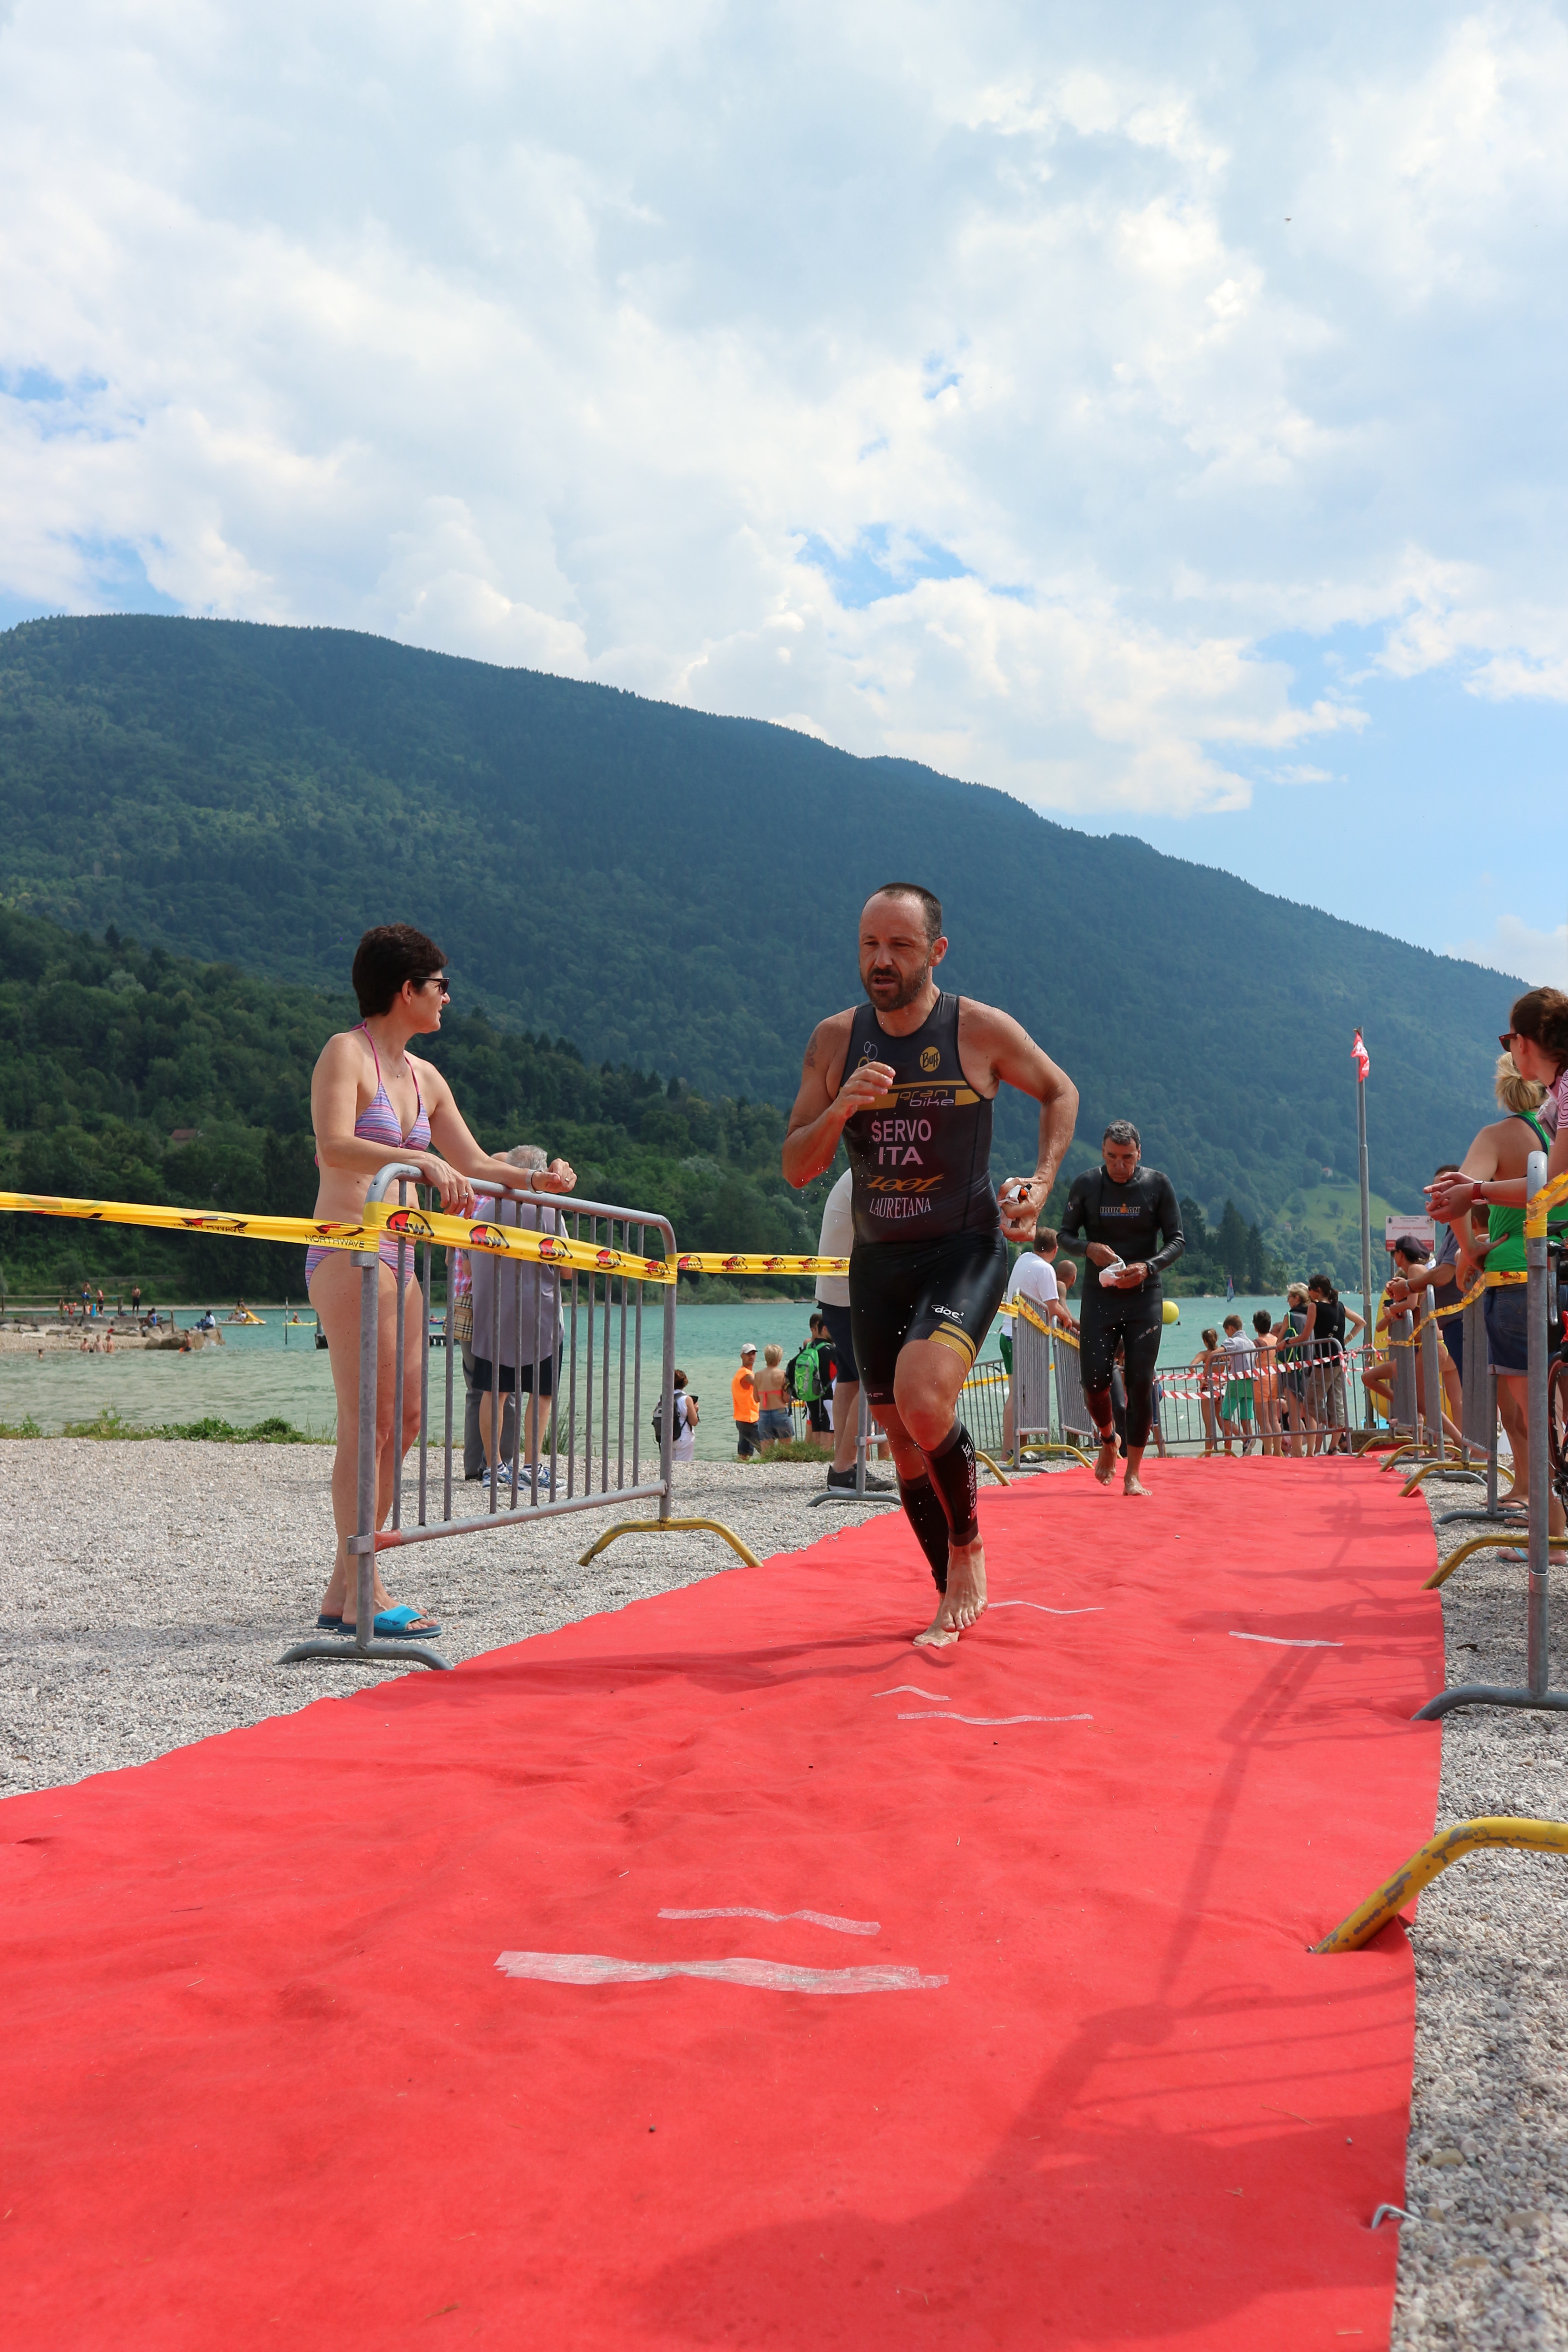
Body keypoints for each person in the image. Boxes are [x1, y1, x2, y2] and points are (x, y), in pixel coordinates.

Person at [782, 882, 1078, 1646]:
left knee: (922, 1396)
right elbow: (795, 1164)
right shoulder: (834, 1040)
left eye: (900, 946)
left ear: (936, 951)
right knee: (900, 1433)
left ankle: (968, 1547)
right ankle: (947, 1585)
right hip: (877, 1260)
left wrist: (1041, 1183)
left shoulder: (976, 1029)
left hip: (966, 1246)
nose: (881, 961)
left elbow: (1058, 1091)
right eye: (869, 945)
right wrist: (842, 1106)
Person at [307, 924, 575, 1639]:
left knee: (407, 1424)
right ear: (407, 990)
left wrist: (535, 1179)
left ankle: (345, 1588)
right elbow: (333, 1144)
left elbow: (477, 1159)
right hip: (350, 1248)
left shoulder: (425, 1077)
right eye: (441, 985)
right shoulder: (346, 1053)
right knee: (370, 1423)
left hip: (403, 1256)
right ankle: (365, 1586)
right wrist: (418, 1164)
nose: (449, 998)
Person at [1056, 1122, 1184, 1496]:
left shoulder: (1157, 1185)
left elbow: (1177, 1240)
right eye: (1112, 1157)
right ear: (1103, 1152)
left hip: (1145, 1294)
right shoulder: (1086, 1184)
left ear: (1139, 1154)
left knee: (1140, 1383)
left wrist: (1149, 1266)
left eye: (1127, 1159)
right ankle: (1108, 1439)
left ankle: (1135, 1474)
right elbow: (1064, 1235)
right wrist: (1088, 1249)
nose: (1119, 1166)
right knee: (1094, 1382)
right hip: (1102, 1296)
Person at [469, 1146, 566, 1496]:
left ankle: (493, 1466)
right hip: (539, 1316)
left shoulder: (485, 1208)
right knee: (540, 1395)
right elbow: (567, 1268)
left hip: (493, 1315)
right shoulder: (548, 1208)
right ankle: (531, 1465)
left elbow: (468, 1263)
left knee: (493, 1391)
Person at [812, 1167, 895, 1488]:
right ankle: (845, 1469)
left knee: (850, 1377)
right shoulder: (878, 1173)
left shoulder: (864, 1169)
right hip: (850, 1293)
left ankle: (843, 1464)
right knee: (873, 1376)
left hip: (839, 1291)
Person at [1001, 1227, 1068, 1454]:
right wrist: (1069, 1320)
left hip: (1009, 1333)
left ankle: (1014, 1450)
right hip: (1026, 1339)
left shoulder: (1023, 1260)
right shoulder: (1046, 1269)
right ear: (1055, 1249)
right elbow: (1052, 1306)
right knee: (1026, 1397)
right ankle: (1015, 1450)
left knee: (1017, 1394)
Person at [1303, 1274, 1366, 1454]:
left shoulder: (1315, 1307)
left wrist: (1288, 1342)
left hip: (1323, 1362)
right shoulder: (1339, 1306)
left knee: (1310, 1402)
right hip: (1340, 1358)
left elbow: (1305, 1335)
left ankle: (1332, 1425)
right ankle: (1334, 1445)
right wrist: (1346, 1340)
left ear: (1318, 1291)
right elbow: (1361, 1322)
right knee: (1336, 1401)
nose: (1308, 1292)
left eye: (1310, 1288)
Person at [1219, 1314, 1255, 1455]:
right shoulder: (1250, 1343)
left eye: (1226, 1331)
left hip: (1237, 1382)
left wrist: (1208, 1365)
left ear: (1230, 1328)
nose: (1227, 1334)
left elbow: (1218, 1352)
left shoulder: (1234, 1341)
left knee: (1224, 1417)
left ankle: (1246, 1439)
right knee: (1246, 1419)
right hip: (1251, 1382)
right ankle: (1249, 1450)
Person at [1250, 1309, 1282, 1456]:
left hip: (1260, 1381)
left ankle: (1268, 1451)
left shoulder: (1257, 1343)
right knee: (1274, 1418)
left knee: (1263, 1420)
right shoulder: (1276, 1340)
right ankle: (1277, 1450)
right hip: (1274, 1379)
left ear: (1256, 1327)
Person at [753, 1344, 794, 1455]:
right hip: (780, 1413)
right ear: (779, 1358)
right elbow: (786, 1399)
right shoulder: (783, 1375)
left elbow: (756, 1399)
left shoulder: (758, 1376)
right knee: (786, 1452)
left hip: (764, 1415)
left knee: (766, 1454)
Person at [1192, 1328, 1225, 1455]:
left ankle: (1208, 1456)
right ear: (1216, 1339)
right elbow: (1231, 1366)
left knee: (1209, 1427)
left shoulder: (1204, 1355)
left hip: (1208, 1390)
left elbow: (1192, 1366)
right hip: (1221, 1389)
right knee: (1224, 1423)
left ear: (1205, 1341)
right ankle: (1230, 1452)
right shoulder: (1223, 1354)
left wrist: (1201, 1380)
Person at [661, 1369, 699, 1462]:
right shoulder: (687, 1399)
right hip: (684, 1437)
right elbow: (694, 1422)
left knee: (668, 1466)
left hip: (666, 1437)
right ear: (684, 1383)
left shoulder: (663, 1398)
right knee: (682, 1467)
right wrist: (695, 1410)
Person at [732, 1343, 760, 1459]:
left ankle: (740, 1472)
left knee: (744, 1453)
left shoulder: (742, 1372)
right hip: (750, 1418)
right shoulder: (746, 1374)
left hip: (742, 1418)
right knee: (766, 1449)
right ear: (742, 1356)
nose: (751, 1356)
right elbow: (760, 1385)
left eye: (753, 1354)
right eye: (748, 1354)